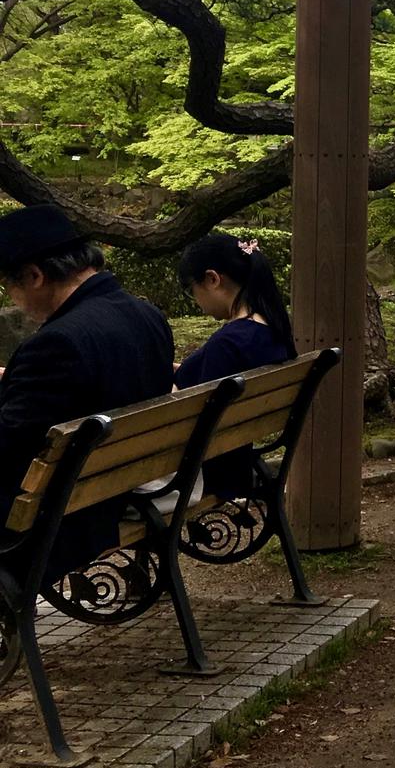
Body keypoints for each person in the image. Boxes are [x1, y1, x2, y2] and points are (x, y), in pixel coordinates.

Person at [0, 205, 172, 565]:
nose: (12, 300)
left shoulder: (58, 343)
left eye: (9, 287)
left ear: (34, 276)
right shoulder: (146, 316)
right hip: (108, 492)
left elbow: (10, 448)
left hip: (54, 525)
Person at [173, 233, 296, 387]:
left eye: (192, 291)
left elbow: (198, 407)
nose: (196, 301)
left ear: (212, 279)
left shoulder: (227, 344)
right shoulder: (274, 328)